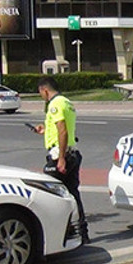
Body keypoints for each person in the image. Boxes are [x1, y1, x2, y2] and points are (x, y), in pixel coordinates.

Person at [33, 76, 88, 242]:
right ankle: (82, 232)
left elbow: (62, 131)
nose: (42, 96)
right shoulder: (67, 102)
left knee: (50, 192)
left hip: (60, 154)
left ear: (45, 90)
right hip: (73, 152)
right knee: (72, 193)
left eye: (41, 93)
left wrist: (61, 159)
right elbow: (62, 129)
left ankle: (58, 232)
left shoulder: (54, 104)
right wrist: (45, 130)